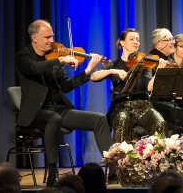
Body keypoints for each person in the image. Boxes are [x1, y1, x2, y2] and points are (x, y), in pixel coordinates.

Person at [15, 20, 116, 186]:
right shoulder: (23, 56)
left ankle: (113, 171)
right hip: (36, 112)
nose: (51, 40)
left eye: (52, 36)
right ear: (34, 38)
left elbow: (66, 87)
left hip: (60, 110)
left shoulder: (53, 56)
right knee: (53, 119)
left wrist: (88, 71)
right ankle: (53, 170)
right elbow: (35, 68)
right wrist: (61, 60)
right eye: (47, 37)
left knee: (99, 119)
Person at [90, 28, 168, 142]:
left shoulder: (145, 64)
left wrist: (159, 71)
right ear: (122, 43)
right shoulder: (114, 64)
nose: (136, 42)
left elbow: (149, 87)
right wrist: (113, 71)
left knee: (160, 122)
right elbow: (94, 76)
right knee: (122, 119)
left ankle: (159, 158)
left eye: (137, 39)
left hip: (143, 106)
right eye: (131, 39)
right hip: (121, 106)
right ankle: (119, 158)